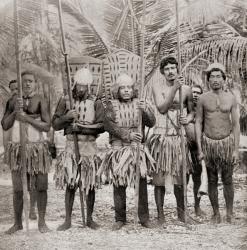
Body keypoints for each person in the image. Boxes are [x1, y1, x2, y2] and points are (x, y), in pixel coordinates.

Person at [98, 73, 156, 230]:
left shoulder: (140, 103)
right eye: (122, 88)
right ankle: (120, 218)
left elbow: (151, 122)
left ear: (133, 89)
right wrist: (127, 135)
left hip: (137, 149)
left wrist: (145, 111)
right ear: (117, 89)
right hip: (119, 148)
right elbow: (109, 125)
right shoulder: (111, 105)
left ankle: (144, 217)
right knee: (119, 183)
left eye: (129, 87)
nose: (126, 90)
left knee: (141, 182)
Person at [52, 68, 104, 230]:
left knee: (89, 184)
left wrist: (81, 127)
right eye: (79, 86)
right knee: (71, 183)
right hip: (71, 148)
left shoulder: (96, 102)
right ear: (74, 84)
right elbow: (55, 124)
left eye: (85, 86)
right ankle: (67, 220)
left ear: (89, 87)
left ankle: (89, 218)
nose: (81, 89)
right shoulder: (66, 101)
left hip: (89, 148)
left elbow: (102, 126)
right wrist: (66, 118)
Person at [1, 71, 51, 234]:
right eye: (25, 82)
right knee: (17, 189)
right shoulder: (13, 101)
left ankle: (42, 222)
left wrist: (27, 118)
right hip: (18, 149)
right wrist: (16, 112)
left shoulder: (41, 100)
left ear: (35, 83)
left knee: (41, 185)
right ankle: (17, 223)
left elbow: (46, 126)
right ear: (20, 84)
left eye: (31, 81)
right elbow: (5, 125)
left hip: (37, 149)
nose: (28, 84)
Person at [148, 56, 194, 223]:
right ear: (162, 72)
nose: (170, 71)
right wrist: (175, 88)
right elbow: (161, 108)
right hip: (161, 138)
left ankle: (181, 213)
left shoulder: (187, 89)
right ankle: (160, 215)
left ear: (177, 69)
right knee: (159, 179)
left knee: (180, 178)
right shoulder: (157, 87)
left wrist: (187, 119)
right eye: (166, 69)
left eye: (173, 68)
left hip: (178, 138)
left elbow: (192, 111)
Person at [195, 63, 240, 223]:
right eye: (212, 77)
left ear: (224, 79)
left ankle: (229, 213)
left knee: (228, 179)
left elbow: (235, 125)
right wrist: (200, 148)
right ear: (207, 80)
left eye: (218, 76)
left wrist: (235, 150)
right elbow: (198, 122)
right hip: (209, 144)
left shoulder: (231, 98)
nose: (215, 80)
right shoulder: (202, 98)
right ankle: (216, 213)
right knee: (212, 179)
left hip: (226, 144)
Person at [184, 84, 204, 216]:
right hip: (185, 148)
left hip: (198, 149)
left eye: (198, 93)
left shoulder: (205, 110)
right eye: (193, 92)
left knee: (197, 179)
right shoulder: (184, 109)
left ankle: (197, 206)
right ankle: (183, 206)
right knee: (183, 179)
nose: (195, 95)